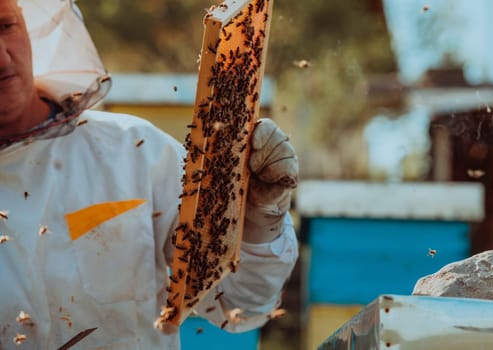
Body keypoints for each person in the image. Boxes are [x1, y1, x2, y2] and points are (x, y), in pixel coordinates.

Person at [0, 0, 299, 349]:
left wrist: (259, 221)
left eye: (6, 26)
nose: (3, 58)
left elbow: (238, 304)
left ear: (29, 26)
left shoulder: (134, 151)